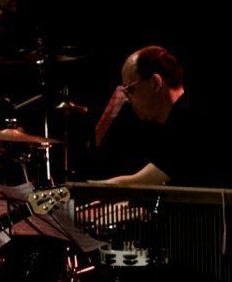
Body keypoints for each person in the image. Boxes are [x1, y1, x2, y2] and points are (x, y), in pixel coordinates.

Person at [84, 46, 201, 186]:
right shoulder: (176, 119)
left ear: (155, 83)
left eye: (129, 90)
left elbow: (140, 182)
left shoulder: (190, 121)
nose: (126, 99)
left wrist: (82, 188)